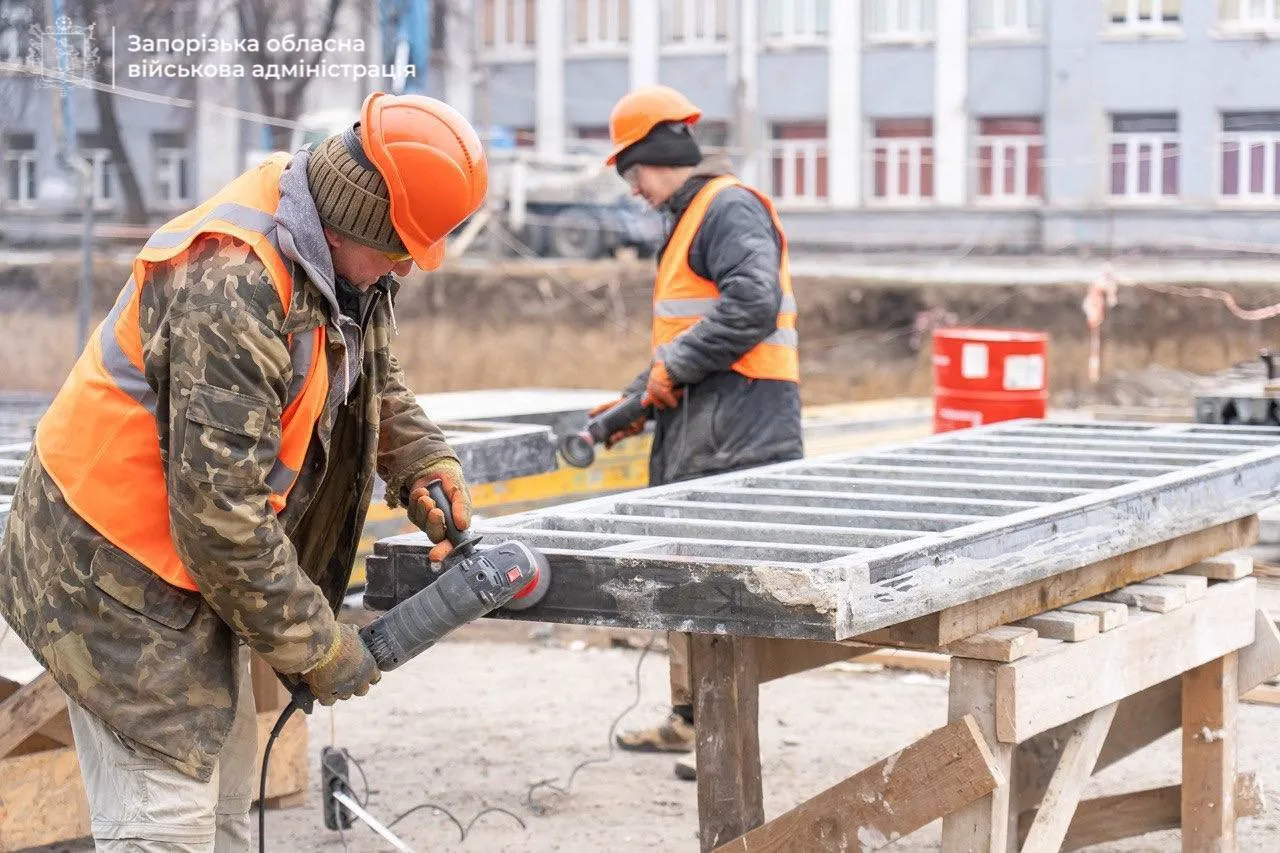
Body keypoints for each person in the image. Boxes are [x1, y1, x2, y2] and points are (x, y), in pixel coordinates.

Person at [0, 91, 487, 850]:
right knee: (165, 824)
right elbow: (221, 521)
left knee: (223, 808)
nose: (407, 268)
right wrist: (319, 645)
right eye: (402, 250)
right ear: (360, 222)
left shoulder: (335, 253)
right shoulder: (231, 285)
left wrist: (416, 456)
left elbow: (363, 367)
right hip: (107, 572)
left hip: (180, 562)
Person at [598, 86, 803, 780]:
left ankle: (722, 738)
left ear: (661, 153)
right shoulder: (689, 220)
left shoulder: (727, 209)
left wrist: (667, 375)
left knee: (718, 586)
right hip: (709, 423)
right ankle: (692, 720)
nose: (633, 189)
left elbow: (752, 304)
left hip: (740, 427)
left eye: (634, 171)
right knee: (692, 579)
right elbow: (686, 340)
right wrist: (630, 403)